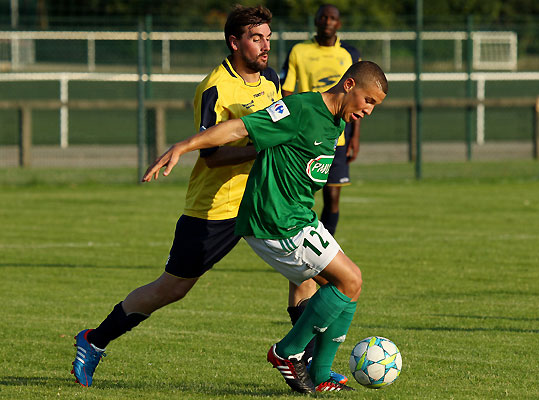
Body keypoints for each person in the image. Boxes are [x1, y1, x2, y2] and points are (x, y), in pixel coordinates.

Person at [143, 60, 388, 393]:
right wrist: (183, 146)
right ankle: (287, 352)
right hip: (275, 220)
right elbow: (240, 128)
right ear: (349, 86)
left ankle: (319, 374)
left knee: (349, 286)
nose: (369, 111)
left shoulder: (336, 124)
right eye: (368, 101)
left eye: (375, 105)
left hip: (299, 217)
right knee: (349, 281)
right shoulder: (301, 108)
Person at [71, 5, 281, 387]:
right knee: (172, 288)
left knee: (309, 269)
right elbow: (212, 155)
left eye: (268, 36)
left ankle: (306, 363)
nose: (266, 45)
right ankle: (94, 340)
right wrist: (263, 149)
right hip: (214, 209)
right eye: (256, 38)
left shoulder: (271, 79)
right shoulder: (216, 85)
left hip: (260, 201)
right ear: (235, 43)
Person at [278, 3, 361, 370]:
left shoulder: (347, 55)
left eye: (333, 19)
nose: (328, 23)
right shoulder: (299, 52)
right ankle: (293, 355)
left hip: (334, 137)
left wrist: (354, 134)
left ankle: (313, 364)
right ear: (316, 22)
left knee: (331, 195)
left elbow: (357, 101)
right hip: (304, 131)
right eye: (323, 17)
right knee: (335, 278)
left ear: (339, 25)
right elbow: (289, 93)